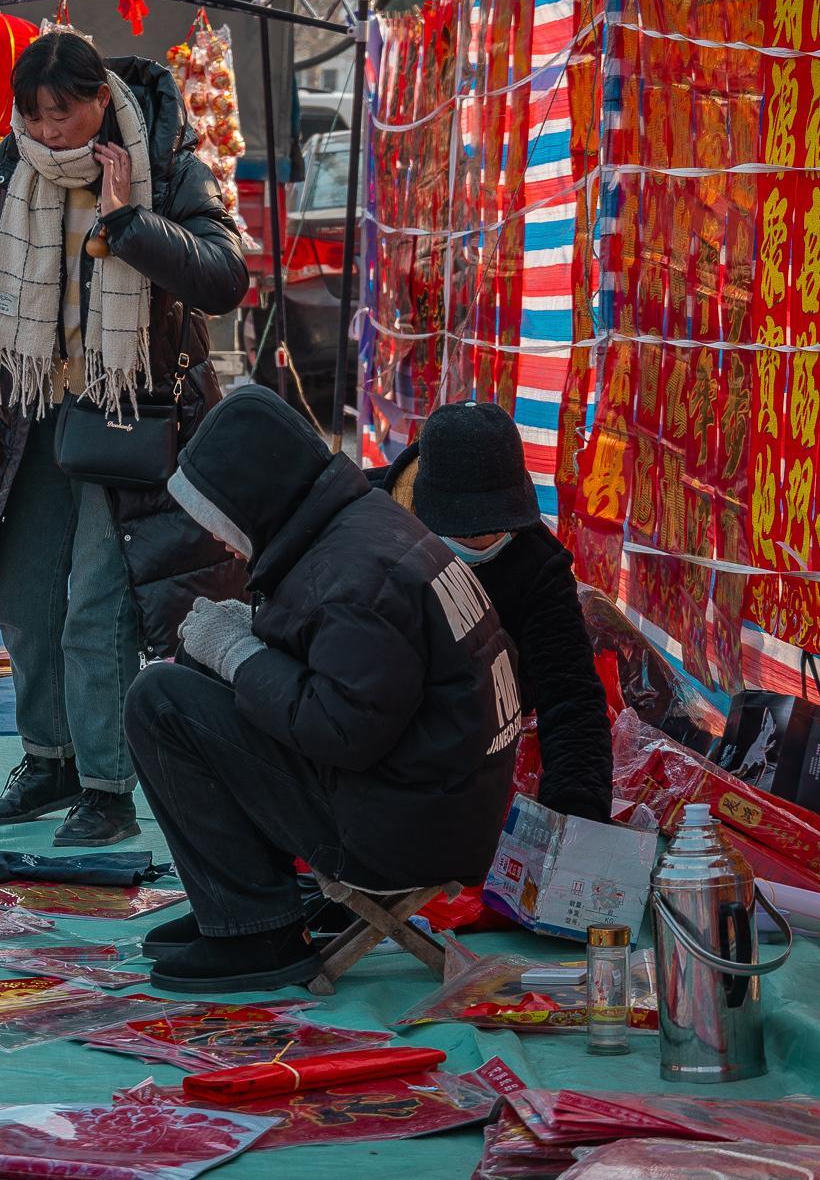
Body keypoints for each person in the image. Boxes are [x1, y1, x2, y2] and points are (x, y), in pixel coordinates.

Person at [0, 29, 249, 847]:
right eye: (33, 115)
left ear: (101, 100)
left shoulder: (171, 161)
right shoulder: (12, 167)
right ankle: (49, 761)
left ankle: (107, 786)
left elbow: (224, 277)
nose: (49, 132)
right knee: (26, 593)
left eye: (63, 114)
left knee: (100, 604)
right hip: (30, 408)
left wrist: (132, 222)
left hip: (133, 415)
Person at [124, 388, 523, 993]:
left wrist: (238, 653)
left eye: (222, 523)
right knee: (196, 674)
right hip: (437, 805)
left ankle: (257, 930)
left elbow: (341, 731)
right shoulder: (357, 525)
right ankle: (241, 904)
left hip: (405, 829)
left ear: (255, 498)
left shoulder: (353, 576)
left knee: (159, 700)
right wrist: (237, 652)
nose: (226, 546)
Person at [370, 401, 614, 821]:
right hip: (378, 736)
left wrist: (576, 816)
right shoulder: (369, 526)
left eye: (499, 527)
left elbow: (569, 694)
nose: (488, 541)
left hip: (485, 740)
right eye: (470, 531)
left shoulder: (535, 561)